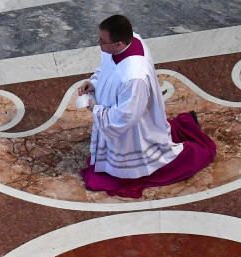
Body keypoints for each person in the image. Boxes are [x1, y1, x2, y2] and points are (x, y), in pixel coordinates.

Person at [78, 15, 216, 198]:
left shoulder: (134, 75)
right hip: (122, 109)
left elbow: (126, 116)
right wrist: (94, 82)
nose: (99, 44)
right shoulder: (129, 40)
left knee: (133, 165)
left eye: (102, 41)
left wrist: (95, 109)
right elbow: (106, 66)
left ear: (119, 44)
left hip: (133, 131)